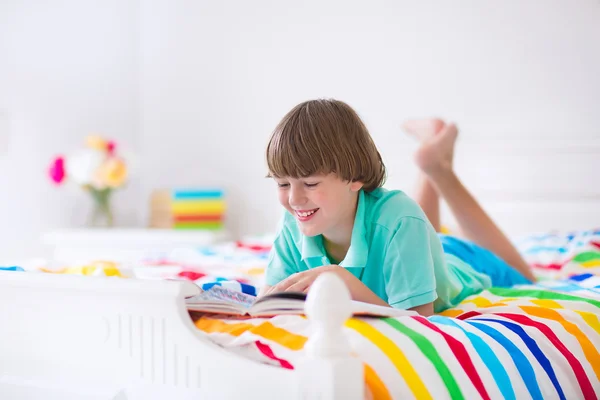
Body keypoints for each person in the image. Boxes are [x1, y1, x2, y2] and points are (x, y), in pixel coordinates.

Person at [260, 99, 534, 316]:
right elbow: (271, 297)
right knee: (419, 230)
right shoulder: (292, 223)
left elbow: (420, 319)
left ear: (355, 178)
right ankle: (430, 150)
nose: (294, 199)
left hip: (461, 263)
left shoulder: (401, 219)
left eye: (309, 184)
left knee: (526, 276)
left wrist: (343, 282)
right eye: (282, 184)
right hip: (410, 247)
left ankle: (436, 167)